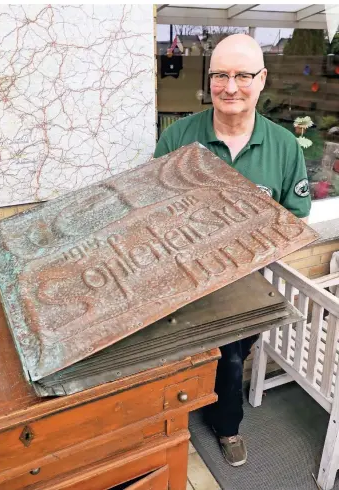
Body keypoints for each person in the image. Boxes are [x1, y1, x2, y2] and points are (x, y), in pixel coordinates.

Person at [154, 34, 311, 467]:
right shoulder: (180, 137)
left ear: (261, 79)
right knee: (176, 349)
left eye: (242, 75)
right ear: (210, 79)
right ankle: (173, 424)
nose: (231, 86)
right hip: (184, 275)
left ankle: (226, 427)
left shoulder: (283, 145)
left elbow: (295, 215)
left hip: (248, 278)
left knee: (232, 353)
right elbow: (153, 210)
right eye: (221, 75)